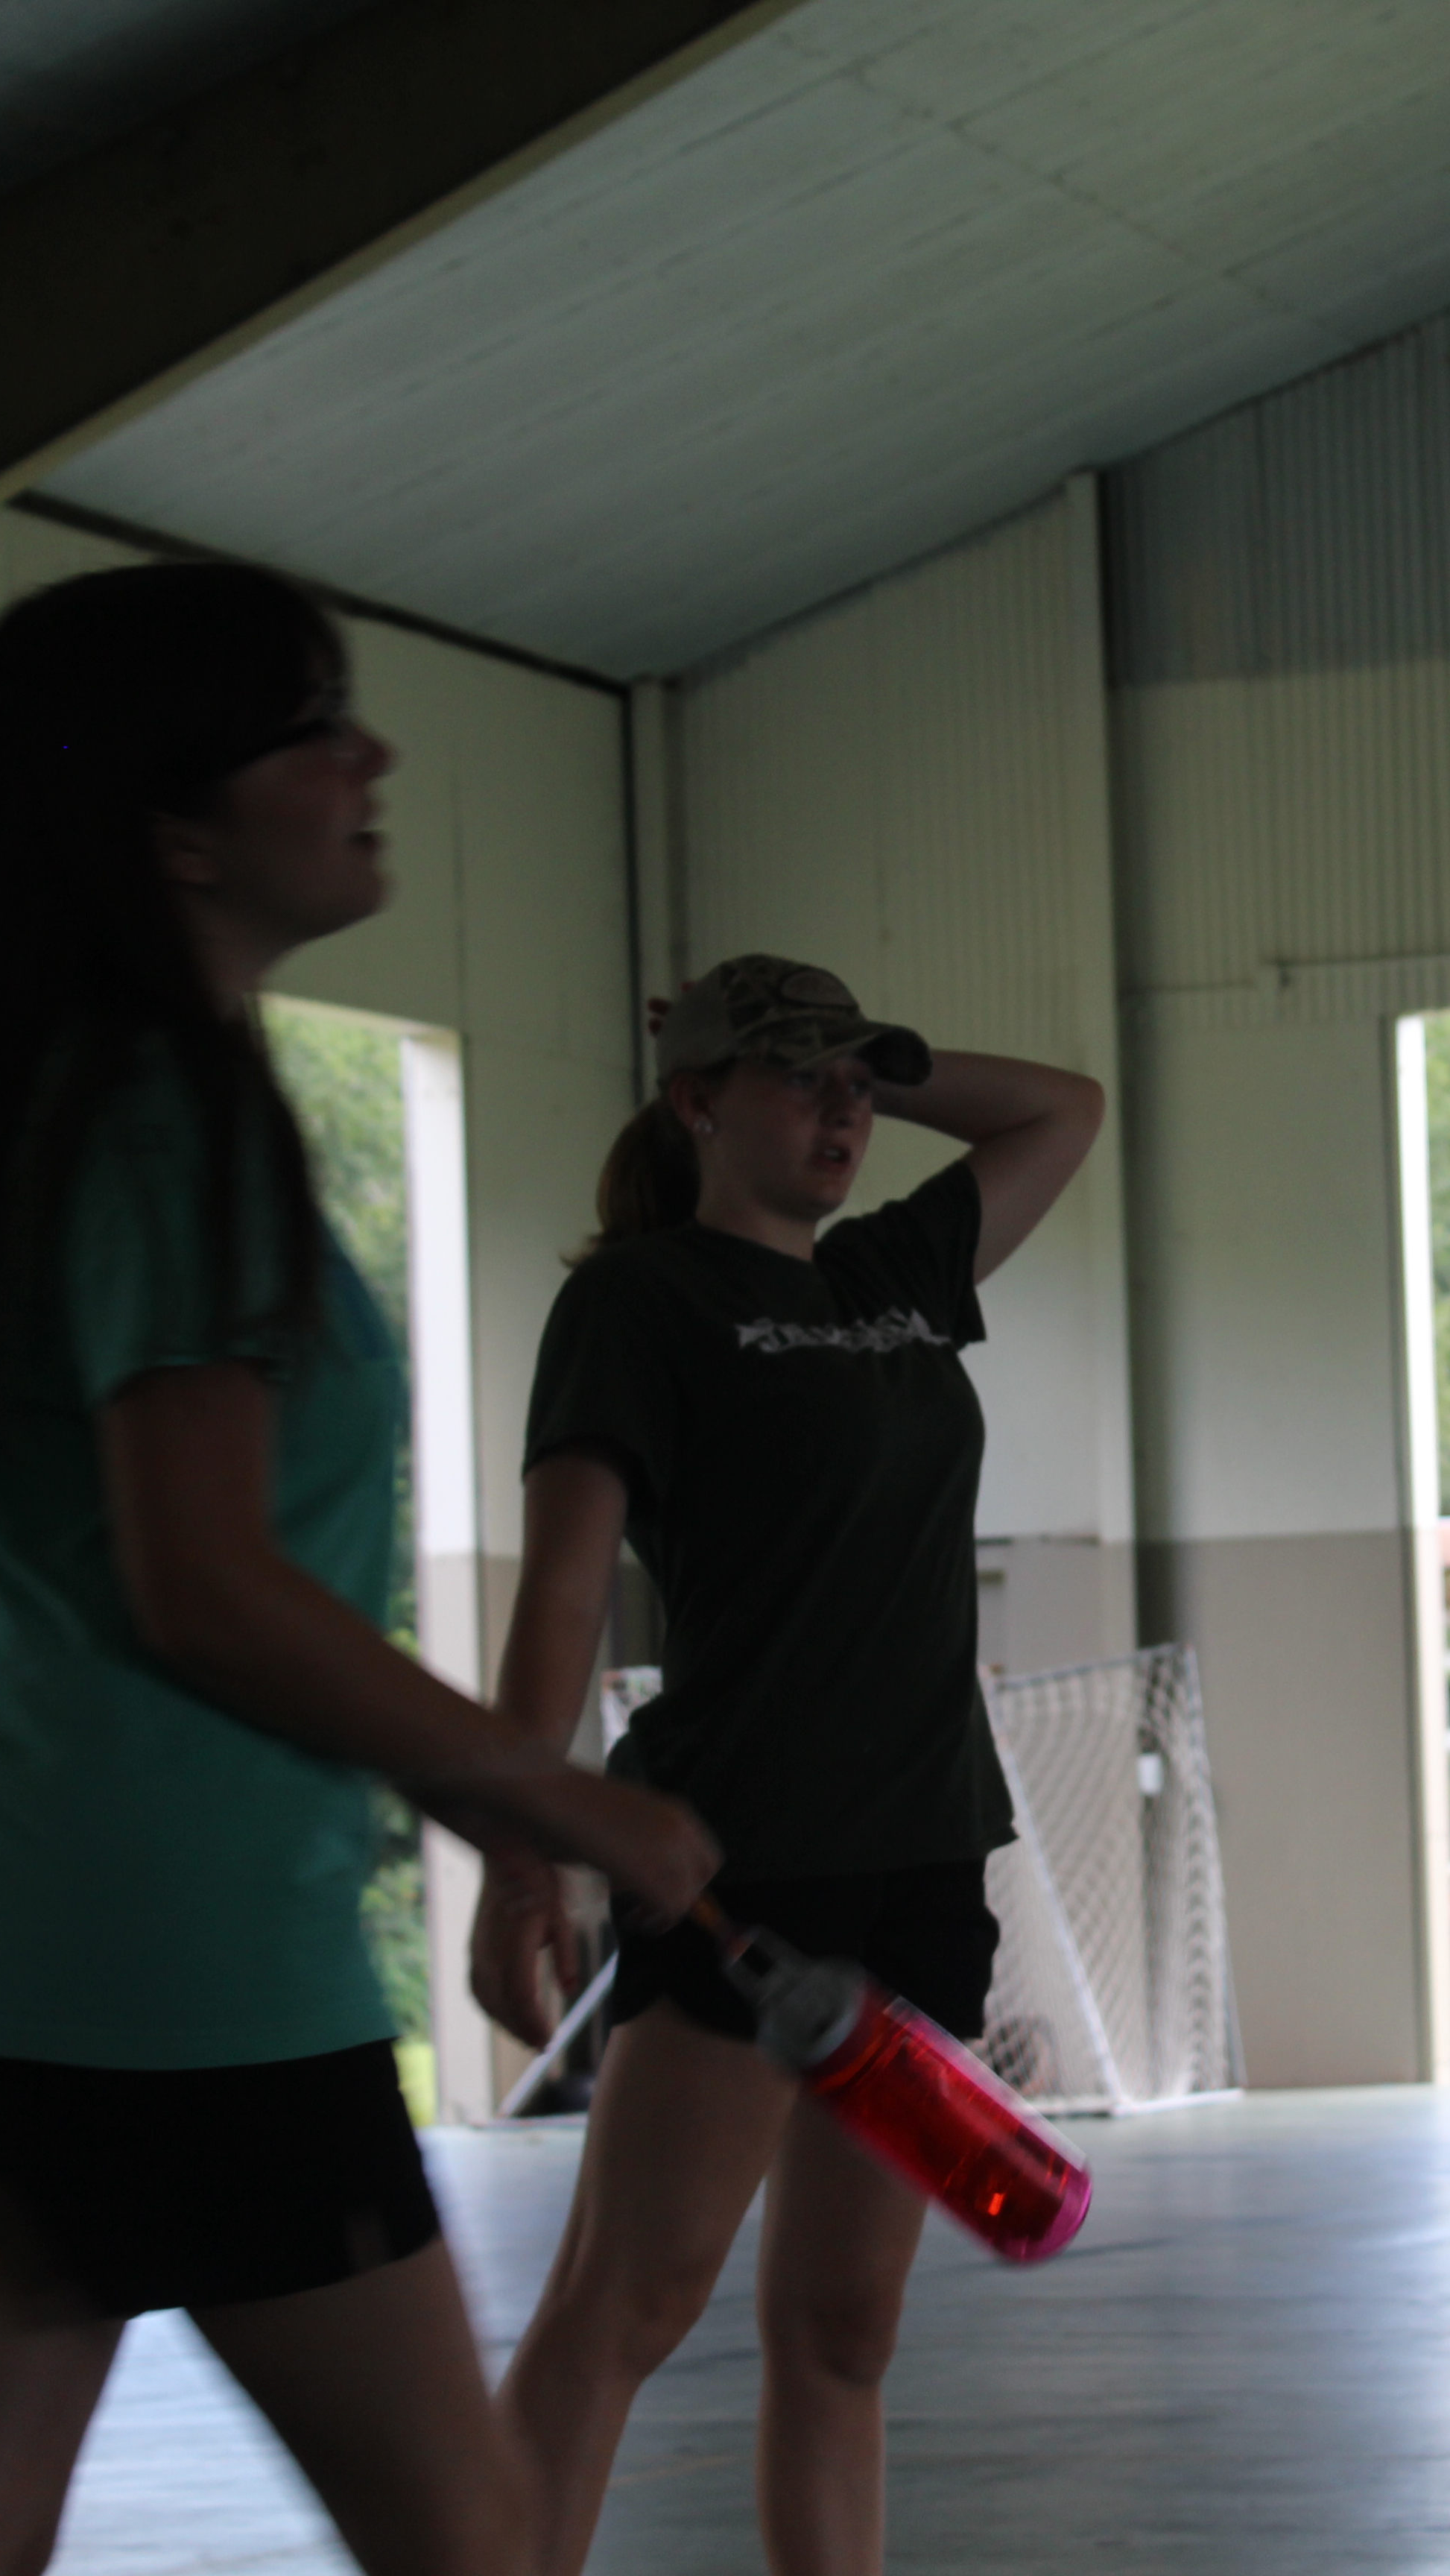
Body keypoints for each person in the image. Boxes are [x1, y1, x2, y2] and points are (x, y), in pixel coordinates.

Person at [0, 561, 718, 2576]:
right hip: (164, 1963)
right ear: (174, 828)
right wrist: (557, 1798)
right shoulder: (167, 1119)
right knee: (473, 2540)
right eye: (311, 728)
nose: (371, 757)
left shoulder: (41, 1094)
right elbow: (200, 1585)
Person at [469, 952, 1103, 2576]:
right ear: (696, 1103)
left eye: (857, 1085)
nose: (844, 1111)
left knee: (843, 2327)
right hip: (739, 1863)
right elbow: (561, 1591)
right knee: (628, 2302)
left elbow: (1063, 1110)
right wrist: (521, 1846)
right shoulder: (638, 1302)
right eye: (797, 1078)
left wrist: (884, 1052)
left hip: (921, 1856)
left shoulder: (896, 1271)